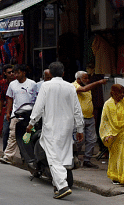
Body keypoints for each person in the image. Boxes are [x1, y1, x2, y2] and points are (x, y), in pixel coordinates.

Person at [26, 61, 84, 199]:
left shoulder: (46, 86)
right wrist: (80, 128)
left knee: (53, 157)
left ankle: (63, 186)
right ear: (63, 73)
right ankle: (57, 185)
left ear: (50, 73)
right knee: (63, 156)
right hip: (67, 127)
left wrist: (31, 123)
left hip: (51, 127)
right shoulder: (70, 87)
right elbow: (77, 109)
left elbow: (38, 107)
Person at [0, 64, 37, 165]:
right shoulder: (12, 85)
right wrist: (8, 112)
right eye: (14, 73)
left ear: (24, 73)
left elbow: (37, 99)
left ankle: (28, 157)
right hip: (16, 114)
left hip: (30, 115)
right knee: (13, 135)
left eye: (17, 72)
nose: (15, 75)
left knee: (29, 136)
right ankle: (8, 156)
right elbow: (10, 98)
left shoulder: (32, 84)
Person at [73, 71, 107, 168]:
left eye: (87, 78)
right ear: (78, 79)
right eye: (85, 78)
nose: (87, 80)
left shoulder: (88, 86)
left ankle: (87, 160)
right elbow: (83, 89)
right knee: (80, 140)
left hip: (90, 117)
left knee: (92, 140)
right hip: (79, 118)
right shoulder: (74, 86)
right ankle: (74, 157)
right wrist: (99, 82)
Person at [100, 84, 124, 185]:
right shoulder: (107, 104)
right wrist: (107, 134)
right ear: (113, 93)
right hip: (113, 135)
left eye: (123, 92)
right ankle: (115, 176)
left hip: (123, 133)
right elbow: (105, 121)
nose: (122, 95)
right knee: (115, 155)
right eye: (120, 93)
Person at [0, 65, 17, 152]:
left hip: (18, 111)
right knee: (5, 131)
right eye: (9, 72)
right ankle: (5, 151)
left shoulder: (17, 83)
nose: (11, 74)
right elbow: (3, 97)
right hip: (8, 111)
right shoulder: (3, 84)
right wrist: (0, 108)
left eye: (12, 72)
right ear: (5, 73)